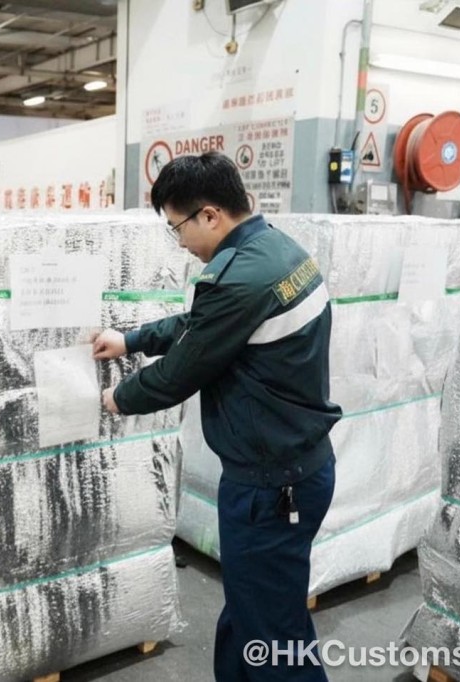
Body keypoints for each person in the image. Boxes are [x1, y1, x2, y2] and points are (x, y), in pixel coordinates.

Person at [91, 151, 341, 681]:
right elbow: (203, 324)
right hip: (296, 469)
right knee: (252, 613)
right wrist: (131, 339)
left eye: (177, 227)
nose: (179, 242)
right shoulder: (275, 250)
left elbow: (182, 371)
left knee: (275, 639)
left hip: (271, 487)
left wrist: (118, 399)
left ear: (209, 214)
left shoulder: (237, 279)